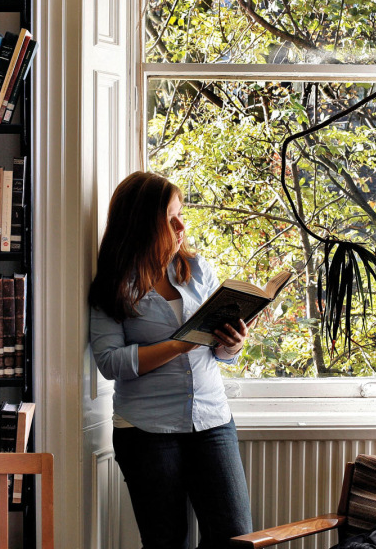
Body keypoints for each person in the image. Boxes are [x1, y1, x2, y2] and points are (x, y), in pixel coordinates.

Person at [89, 171, 253, 549]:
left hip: (212, 421)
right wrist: (180, 345)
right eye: (170, 217)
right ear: (143, 223)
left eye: (181, 213)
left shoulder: (198, 271)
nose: (181, 225)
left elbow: (219, 353)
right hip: (146, 431)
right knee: (165, 542)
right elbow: (111, 362)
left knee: (237, 537)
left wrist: (233, 343)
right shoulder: (114, 285)